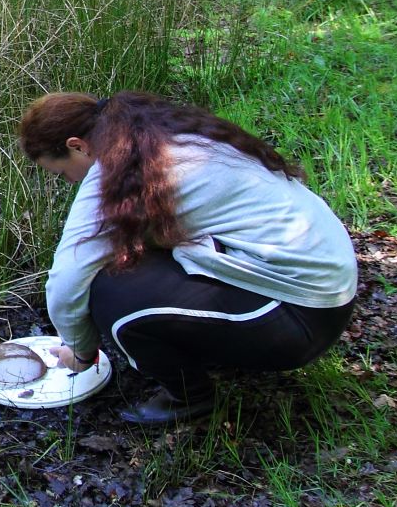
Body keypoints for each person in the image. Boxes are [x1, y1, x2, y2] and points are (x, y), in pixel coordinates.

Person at [18, 91, 357, 426]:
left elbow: (67, 278)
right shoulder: (159, 137)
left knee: (109, 289)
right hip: (327, 288)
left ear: (77, 145)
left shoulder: (111, 171)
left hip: (300, 317)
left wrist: (80, 352)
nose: (69, 182)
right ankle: (209, 345)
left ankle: (189, 397)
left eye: (62, 173)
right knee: (136, 249)